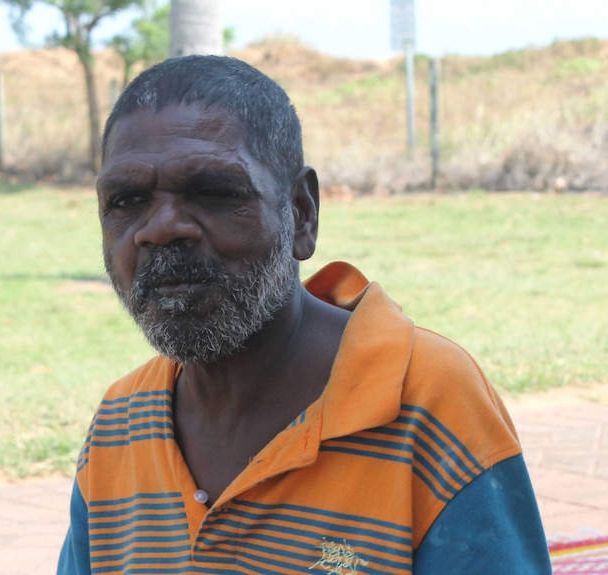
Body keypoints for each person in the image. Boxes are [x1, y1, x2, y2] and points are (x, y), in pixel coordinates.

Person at [57, 55, 551, 574]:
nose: (161, 229)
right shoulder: (119, 424)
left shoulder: (430, 401)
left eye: (213, 192)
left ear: (301, 213)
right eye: (125, 200)